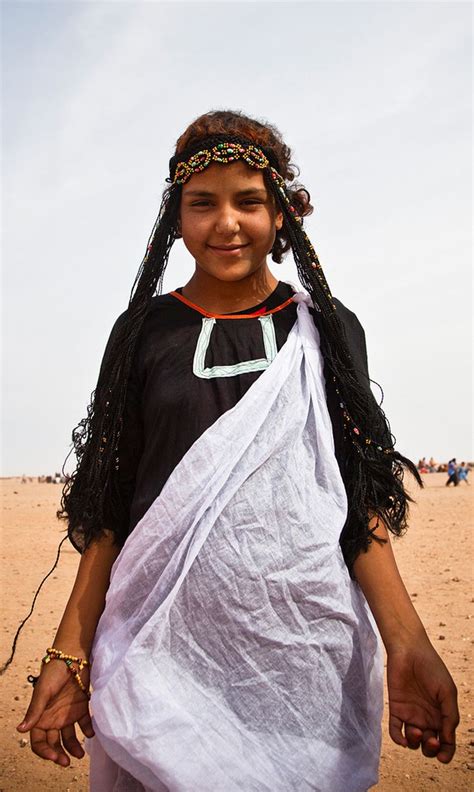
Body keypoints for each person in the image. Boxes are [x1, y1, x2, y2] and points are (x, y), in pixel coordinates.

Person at [16, 111, 459, 792]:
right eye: (203, 203)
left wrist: (408, 643)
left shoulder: (328, 330)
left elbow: (358, 504)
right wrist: (70, 651)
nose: (227, 223)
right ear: (177, 219)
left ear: (281, 214)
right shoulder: (142, 333)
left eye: (249, 201)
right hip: (160, 651)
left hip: (303, 659)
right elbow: (109, 506)